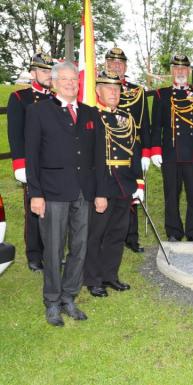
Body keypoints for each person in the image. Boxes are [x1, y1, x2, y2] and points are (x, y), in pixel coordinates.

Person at [25, 61, 105, 326]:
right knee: (54, 248)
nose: (71, 84)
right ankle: (52, 300)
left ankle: (69, 296)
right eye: (66, 80)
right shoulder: (37, 112)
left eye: (75, 80)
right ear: (55, 82)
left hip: (84, 191)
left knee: (79, 248)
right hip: (53, 192)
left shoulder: (90, 113)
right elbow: (32, 157)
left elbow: (99, 158)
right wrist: (35, 194)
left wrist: (101, 192)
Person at [83, 70, 144, 298]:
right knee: (96, 234)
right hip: (103, 181)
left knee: (118, 233)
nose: (113, 92)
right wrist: (96, 189)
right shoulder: (90, 116)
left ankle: (110, 275)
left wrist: (139, 182)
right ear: (98, 91)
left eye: (117, 89)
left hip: (124, 183)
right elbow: (87, 156)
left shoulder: (126, 118)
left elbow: (134, 151)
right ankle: (93, 279)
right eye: (108, 88)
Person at [150, 54, 193, 242]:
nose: (180, 71)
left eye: (183, 68)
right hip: (170, 153)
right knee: (171, 194)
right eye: (176, 68)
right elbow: (157, 126)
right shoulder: (162, 95)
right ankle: (173, 231)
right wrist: (155, 149)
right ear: (171, 71)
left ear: (189, 71)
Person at [6, 51, 55, 272]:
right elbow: (15, 134)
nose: (47, 75)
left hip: (54, 164)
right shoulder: (20, 98)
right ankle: (34, 255)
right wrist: (19, 164)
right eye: (43, 70)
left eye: (50, 71)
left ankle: (50, 252)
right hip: (32, 165)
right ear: (33, 72)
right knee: (34, 210)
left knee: (54, 210)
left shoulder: (57, 99)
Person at [104, 47, 150, 254]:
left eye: (120, 63)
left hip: (132, 147)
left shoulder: (137, 91)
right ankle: (109, 236)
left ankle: (131, 237)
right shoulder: (100, 87)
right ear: (106, 64)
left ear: (125, 66)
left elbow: (145, 123)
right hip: (107, 147)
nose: (116, 66)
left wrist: (147, 152)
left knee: (132, 193)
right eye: (112, 63)